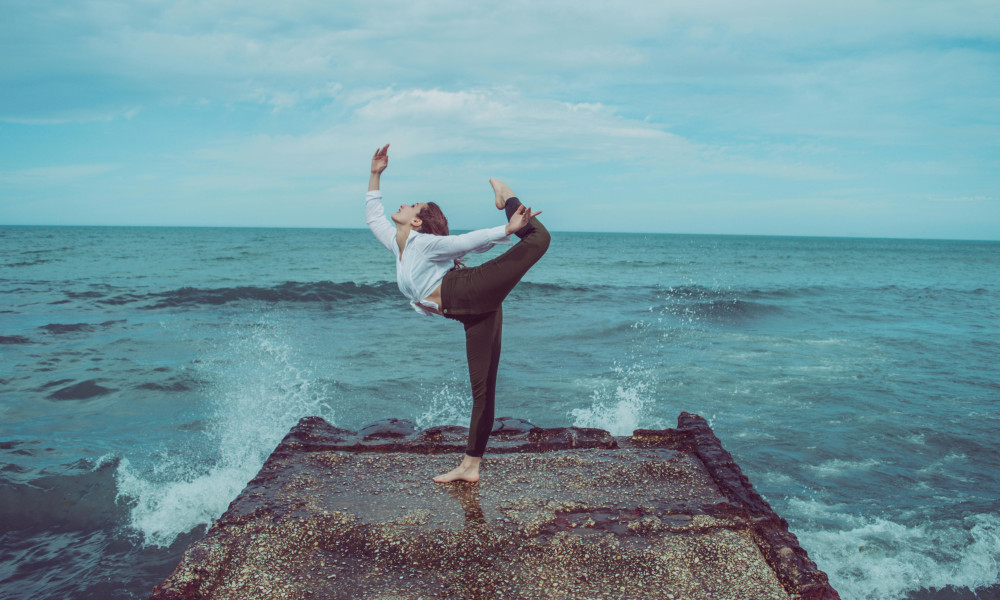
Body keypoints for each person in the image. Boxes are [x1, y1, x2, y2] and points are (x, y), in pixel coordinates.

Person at [365, 144, 549, 483]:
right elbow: (373, 216)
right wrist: (376, 173)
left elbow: (464, 243)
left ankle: (507, 196)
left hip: (471, 289)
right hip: (471, 312)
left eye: (412, 205)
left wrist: (507, 229)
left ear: (417, 220)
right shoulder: (399, 245)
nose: (404, 204)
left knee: (538, 239)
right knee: (483, 389)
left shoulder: (424, 244)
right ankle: (471, 466)